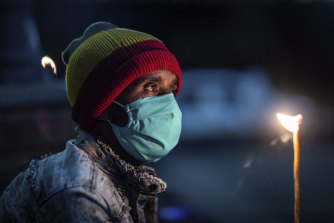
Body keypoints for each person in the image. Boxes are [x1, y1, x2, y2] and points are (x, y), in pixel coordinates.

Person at [0, 21, 182, 223]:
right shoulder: (79, 190)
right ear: (103, 108)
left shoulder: (126, 176)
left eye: (172, 90)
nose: (168, 103)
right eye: (150, 87)